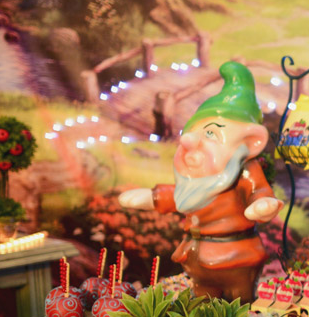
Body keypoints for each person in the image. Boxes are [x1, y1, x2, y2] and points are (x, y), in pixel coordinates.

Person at [119, 62, 282, 302]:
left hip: (235, 258)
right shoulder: (196, 180)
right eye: (193, 132)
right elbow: (181, 195)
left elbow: (258, 192)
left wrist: (262, 205)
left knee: (238, 306)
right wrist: (152, 197)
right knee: (200, 306)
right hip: (196, 259)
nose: (189, 142)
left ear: (250, 141)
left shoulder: (245, 171)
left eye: (210, 134)